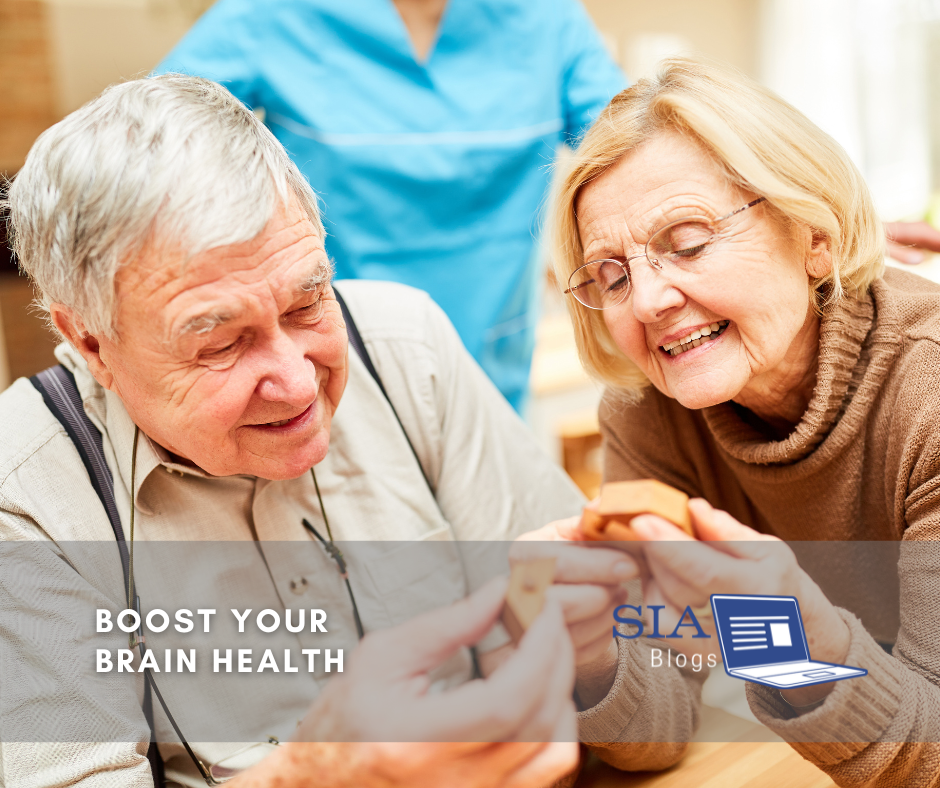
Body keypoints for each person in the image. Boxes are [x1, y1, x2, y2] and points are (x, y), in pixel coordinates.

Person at [0, 75, 640, 787]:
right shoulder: (29, 495)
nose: (301, 385)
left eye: (309, 304)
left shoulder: (406, 350)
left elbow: (649, 717)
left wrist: (598, 654)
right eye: (220, 344)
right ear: (89, 342)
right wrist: (316, 773)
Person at [551, 56, 940, 786]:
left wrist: (782, 632)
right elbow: (657, 731)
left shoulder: (928, 395)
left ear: (813, 235)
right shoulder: (649, 414)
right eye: (612, 275)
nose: (647, 303)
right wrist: (593, 649)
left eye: (688, 242)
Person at [154, 0, 626, 412]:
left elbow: (631, 148)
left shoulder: (546, 17)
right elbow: (149, 142)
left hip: (493, 359)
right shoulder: (272, 14)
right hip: (329, 363)